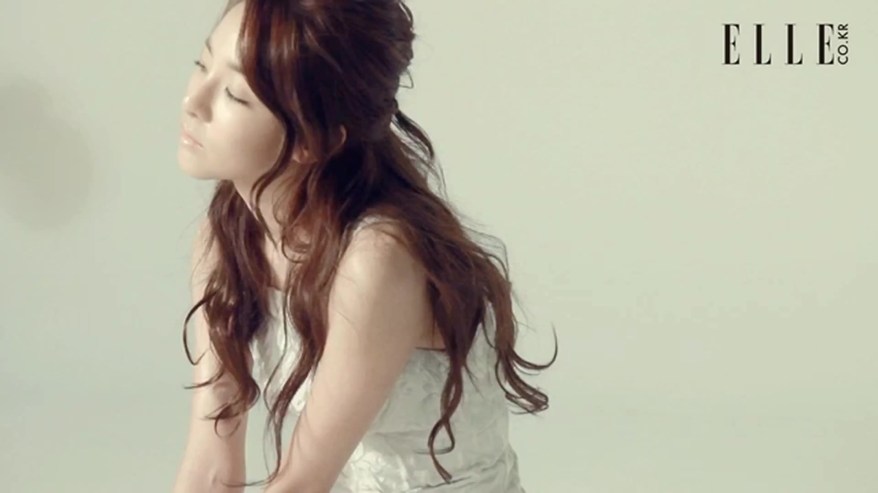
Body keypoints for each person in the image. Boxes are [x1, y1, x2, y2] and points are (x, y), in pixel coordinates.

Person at [172, 1, 558, 492]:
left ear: (314, 139)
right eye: (202, 64)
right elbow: (211, 465)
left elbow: (300, 483)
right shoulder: (226, 235)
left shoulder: (376, 260)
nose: (193, 101)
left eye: (234, 94)